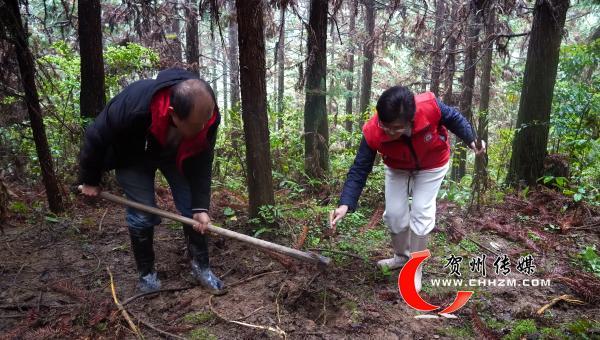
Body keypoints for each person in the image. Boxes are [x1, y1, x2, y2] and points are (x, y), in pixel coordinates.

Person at [78, 68, 225, 294]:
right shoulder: (133, 106)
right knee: (143, 213)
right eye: (195, 126)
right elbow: (95, 136)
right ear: (173, 113)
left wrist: (200, 207)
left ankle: (201, 267)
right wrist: (90, 179)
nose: (202, 130)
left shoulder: (208, 116)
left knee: (191, 209)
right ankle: (147, 275)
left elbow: (202, 161)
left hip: (177, 154)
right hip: (133, 154)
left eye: (204, 124)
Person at [330, 86, 485, 292]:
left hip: (432, 164)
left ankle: (415, 267)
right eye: (386, 126)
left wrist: (470, 138)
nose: (390, 132)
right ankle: (401, 257)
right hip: (397, 166)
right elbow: (360, 168)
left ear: (410, 120)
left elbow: (454, 118)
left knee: (421, 211)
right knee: (394, 215)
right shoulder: (373, 131)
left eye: (396, 128)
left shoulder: (429, 107)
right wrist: (345, 204)